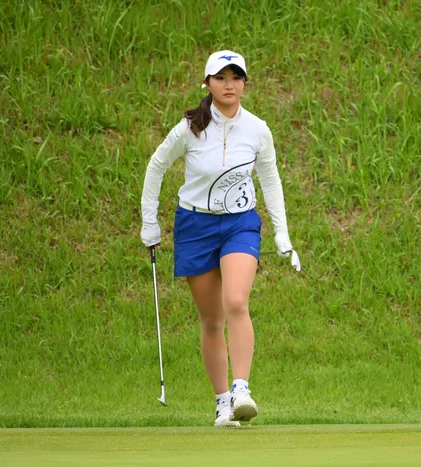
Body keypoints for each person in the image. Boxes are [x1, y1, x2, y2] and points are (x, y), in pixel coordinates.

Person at [139, 50, 300, 428]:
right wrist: (150, 223)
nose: (229, 85)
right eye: (221, 77)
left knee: (236, 302)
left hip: (240, 224)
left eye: (236, 77)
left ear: (245, 83)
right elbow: (157, 165)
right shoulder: (190, 128)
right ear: (207, 83)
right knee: (212, 319)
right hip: (195, 226)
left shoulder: (257, 129)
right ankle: (223, 404)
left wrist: (282, 232)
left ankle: (242, 390)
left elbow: (271, 180)